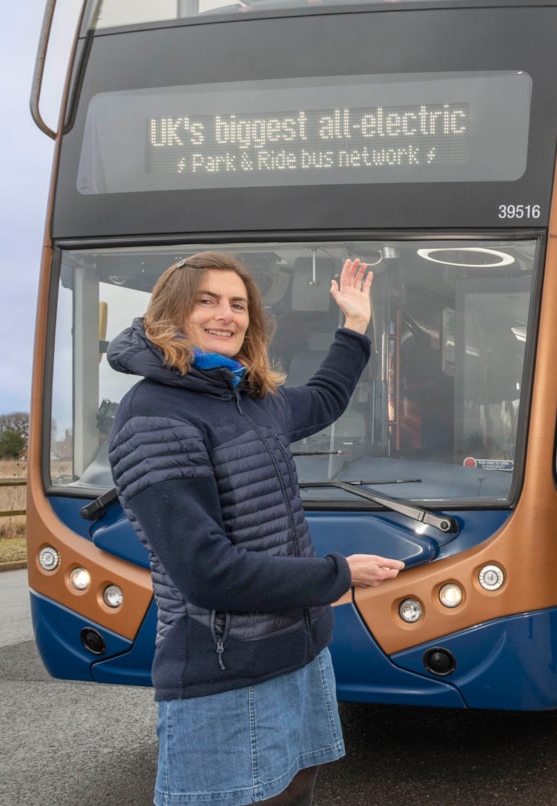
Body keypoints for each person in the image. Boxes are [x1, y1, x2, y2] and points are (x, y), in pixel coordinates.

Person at [106, 252, 406, 806]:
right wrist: (338, 576)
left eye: (238, 304)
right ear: (171, 311)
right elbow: (206, 573)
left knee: (295, 789)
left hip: (296, 650)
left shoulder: (245, 397)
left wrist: (356, 325)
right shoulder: (154, 416)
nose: (227, 315)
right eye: (208, 301)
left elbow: (323, 400)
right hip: (224, 667)